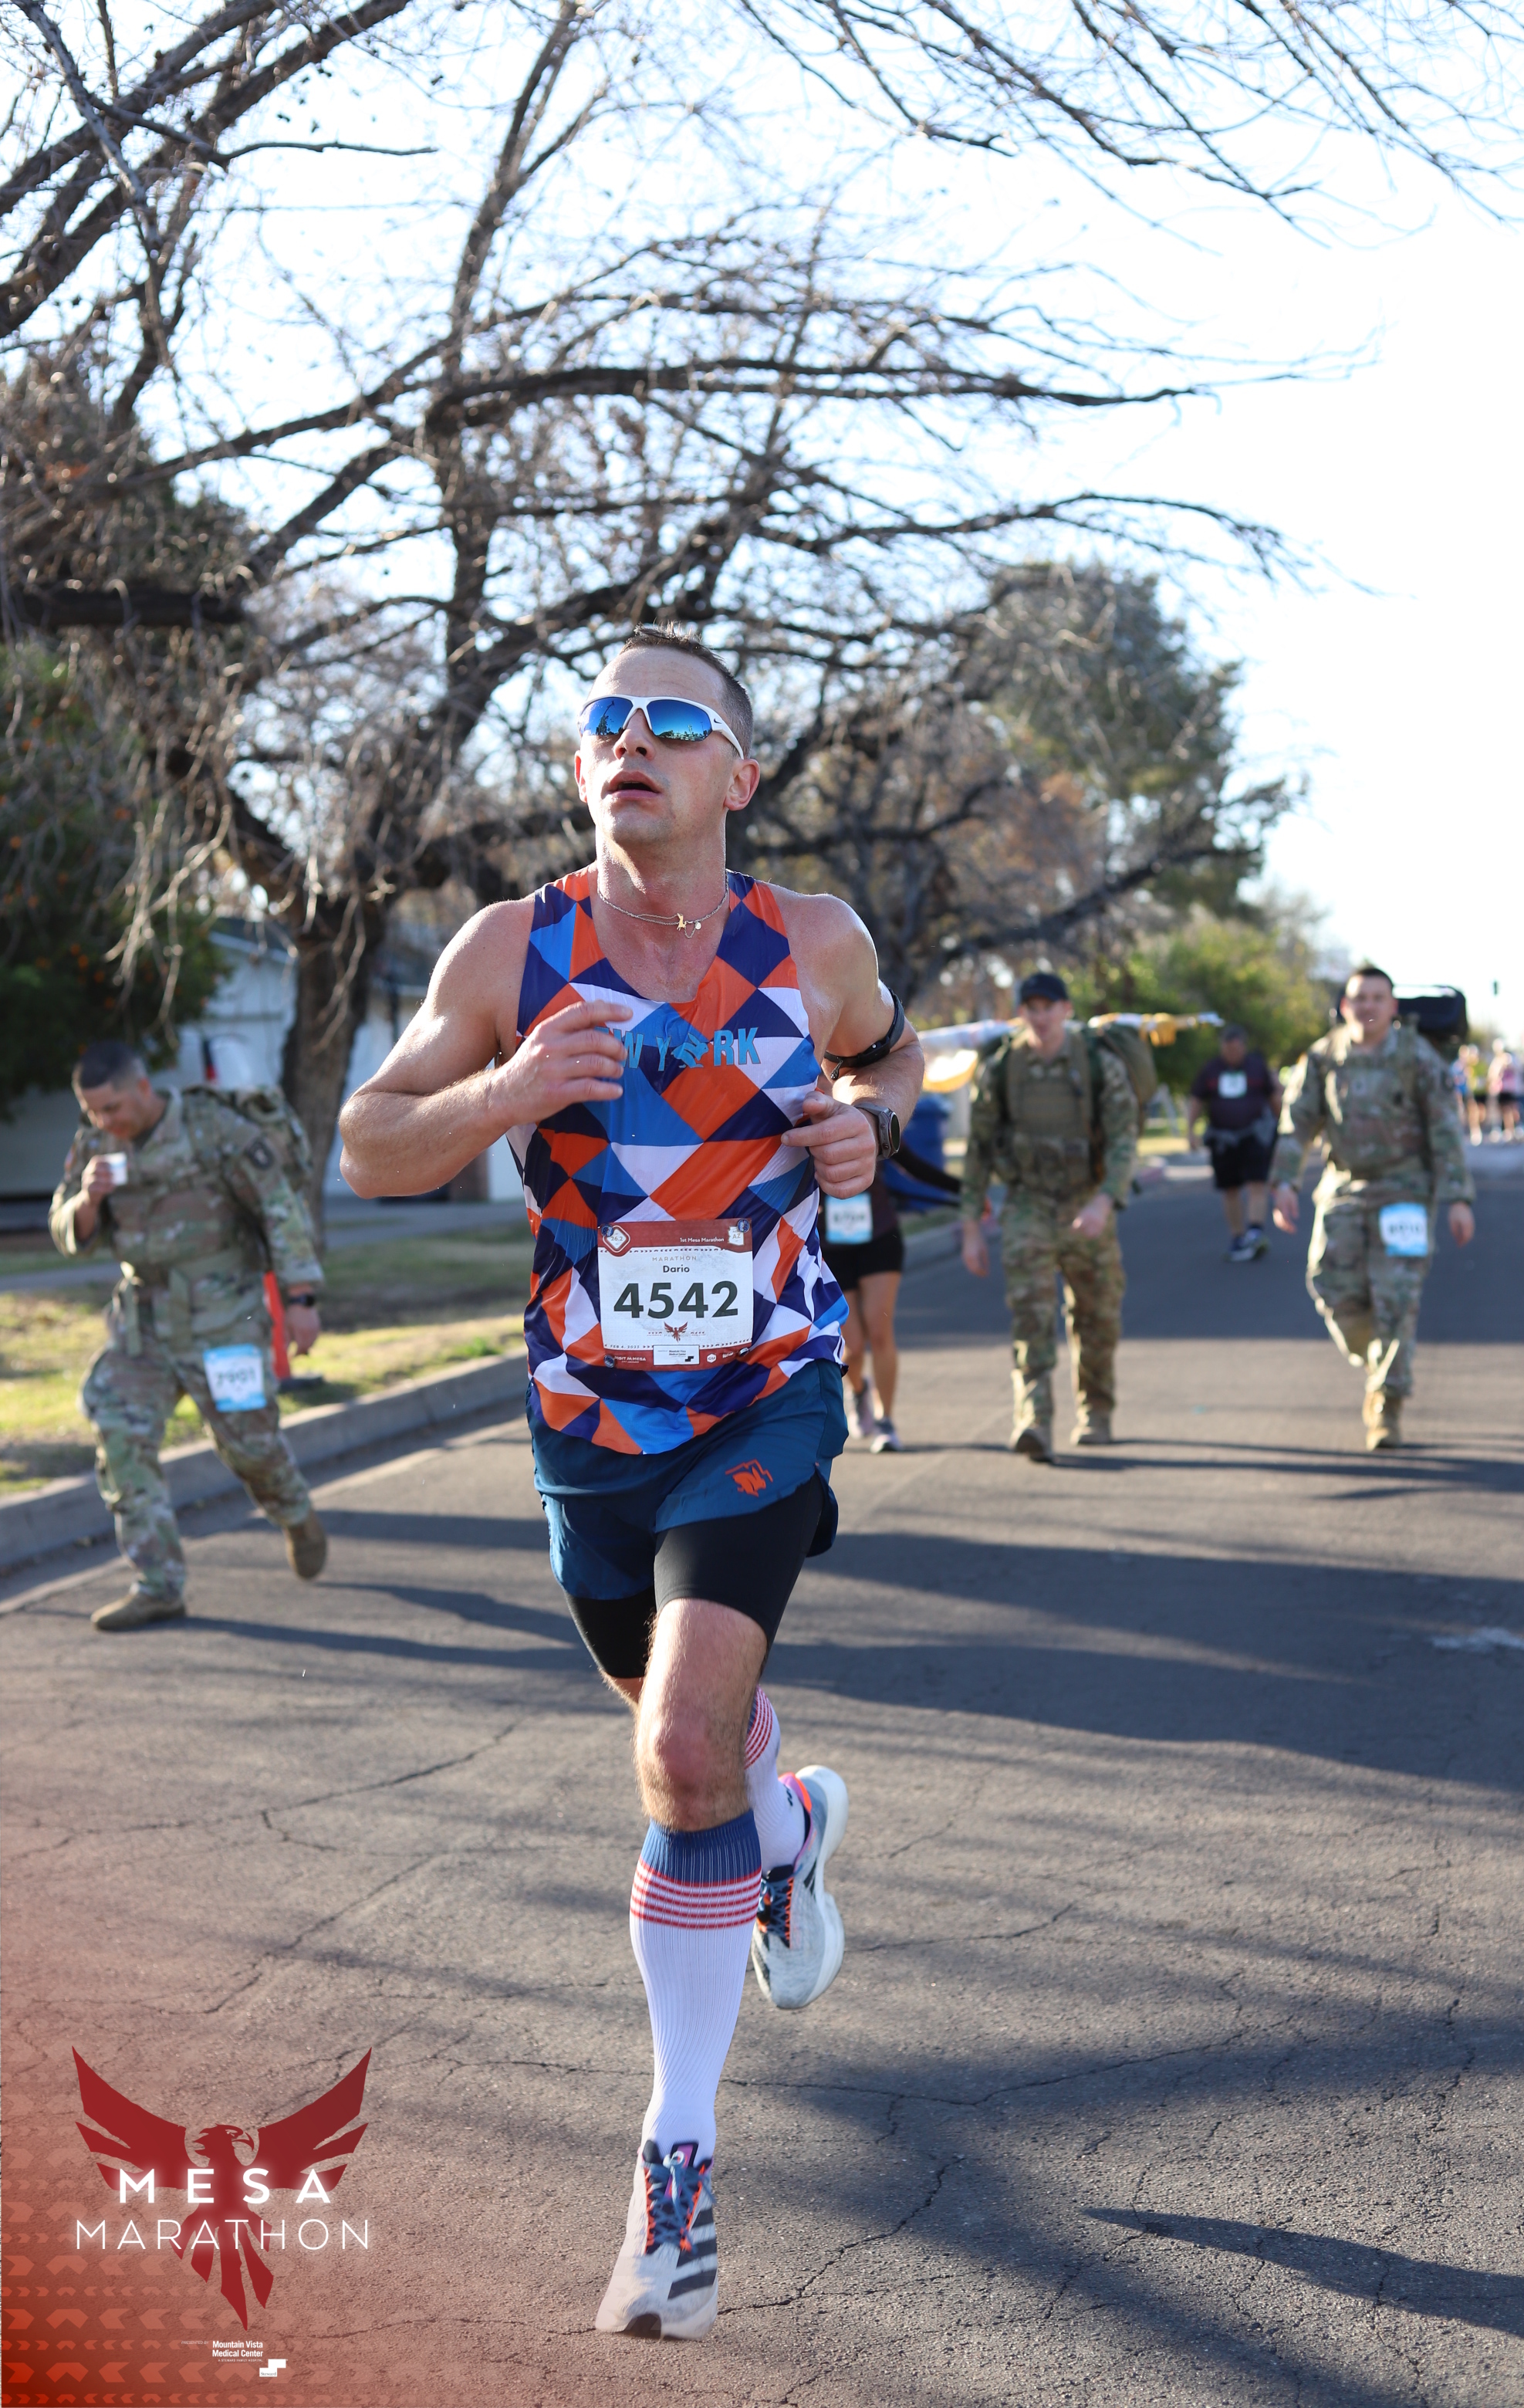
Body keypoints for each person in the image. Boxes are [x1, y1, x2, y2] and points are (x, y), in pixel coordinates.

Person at [336, 624, 923, 2342]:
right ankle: (787, 1831)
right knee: (702, 1759)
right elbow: (371, 1146)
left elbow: (891, 1057)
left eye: (671, 721)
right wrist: (508, 1089)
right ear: (579, 765)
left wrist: (872, 1124)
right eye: (603, 721)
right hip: (589, 1422)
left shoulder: (812, 940)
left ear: (739, 773)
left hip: (763, 1391)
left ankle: (676, 2164)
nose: (630, 742)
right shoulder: (509, 950)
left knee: (675, 1750)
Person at [48, 1042, 328, 1631]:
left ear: (143, 1087)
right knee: (120, 1434)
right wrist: (88, 1198)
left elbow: (278, 1208)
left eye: (112, 1107)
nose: (104, 1121)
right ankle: (158, 1584)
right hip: (143, 1325)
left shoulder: (213, 1128)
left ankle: (294, 1510)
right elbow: (67, 1232)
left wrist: (301, 1300)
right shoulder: (96, 1144)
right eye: (92, 1111)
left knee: (251, 1447)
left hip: (224, 1318)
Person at [1270, 964, 1474, 1452]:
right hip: (1344, 1186)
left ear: (1392, 1007)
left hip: (1406, 1190)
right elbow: (1297, 1122)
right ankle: (1380, 1362)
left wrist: (1458, 1198)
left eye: (1377, 998)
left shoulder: (1417, 1057)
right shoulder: (1324, 1057)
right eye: (1359, 998)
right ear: (1345, 1006)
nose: (1368, 1006)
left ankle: (1387, 1405)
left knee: (1397, 1299)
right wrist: (1284, 1182)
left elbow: (1445, 1129)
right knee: (1331, 1286)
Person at [958, 971, 1138, 1461]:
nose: (1040, 1017)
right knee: (1031, 1315)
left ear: (1066, 1010)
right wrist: (971, 1225)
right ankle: (1034, 1419)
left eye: (1048, 1007)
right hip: (1029, 1204)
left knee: (1097, 1316)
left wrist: (1105, 1200)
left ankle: (1096, 1410)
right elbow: (978, 1149)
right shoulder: (1002, 1068)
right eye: (1031, 1008)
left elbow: (1123, 1140)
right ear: (1021, 1013)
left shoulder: (1097, 1064)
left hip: (1086, 1200)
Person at [821, 1141, 959, 1454]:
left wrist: (967, 1191)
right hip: (830, 1247)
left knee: (880, 1331)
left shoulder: (870, 1118)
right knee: (852, 1347)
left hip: (879, 1239)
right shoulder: (803, 1121)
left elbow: (912, 1165)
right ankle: (859, 1391)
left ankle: (886, 1422)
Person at [1185, 1023, 1283, 1261]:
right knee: (1230, 1189)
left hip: (1254, 1135)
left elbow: (1274, 1097)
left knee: (1256, 1183)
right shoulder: (1211, 1070)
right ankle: (1238, 1236)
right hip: (1223, 1140)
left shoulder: (1257, 1067)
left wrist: (1283, 1126)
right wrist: (1190, 1130)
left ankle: (1255, 1232)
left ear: (1243, 1047)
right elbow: (1196, 1099)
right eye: (1227, 1049)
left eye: (1236, 1049)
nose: (1231, 1054)